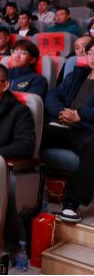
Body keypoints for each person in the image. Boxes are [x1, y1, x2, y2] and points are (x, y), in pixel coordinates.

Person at [43, 39, 94, 223]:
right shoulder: (77, 74)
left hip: (87, 131)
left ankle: (71, 204)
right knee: (32, 132)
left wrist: (79, 115)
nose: (93, 57)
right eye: (90, 53)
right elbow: (52, 95)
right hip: (61, 124)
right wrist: (60, 112)